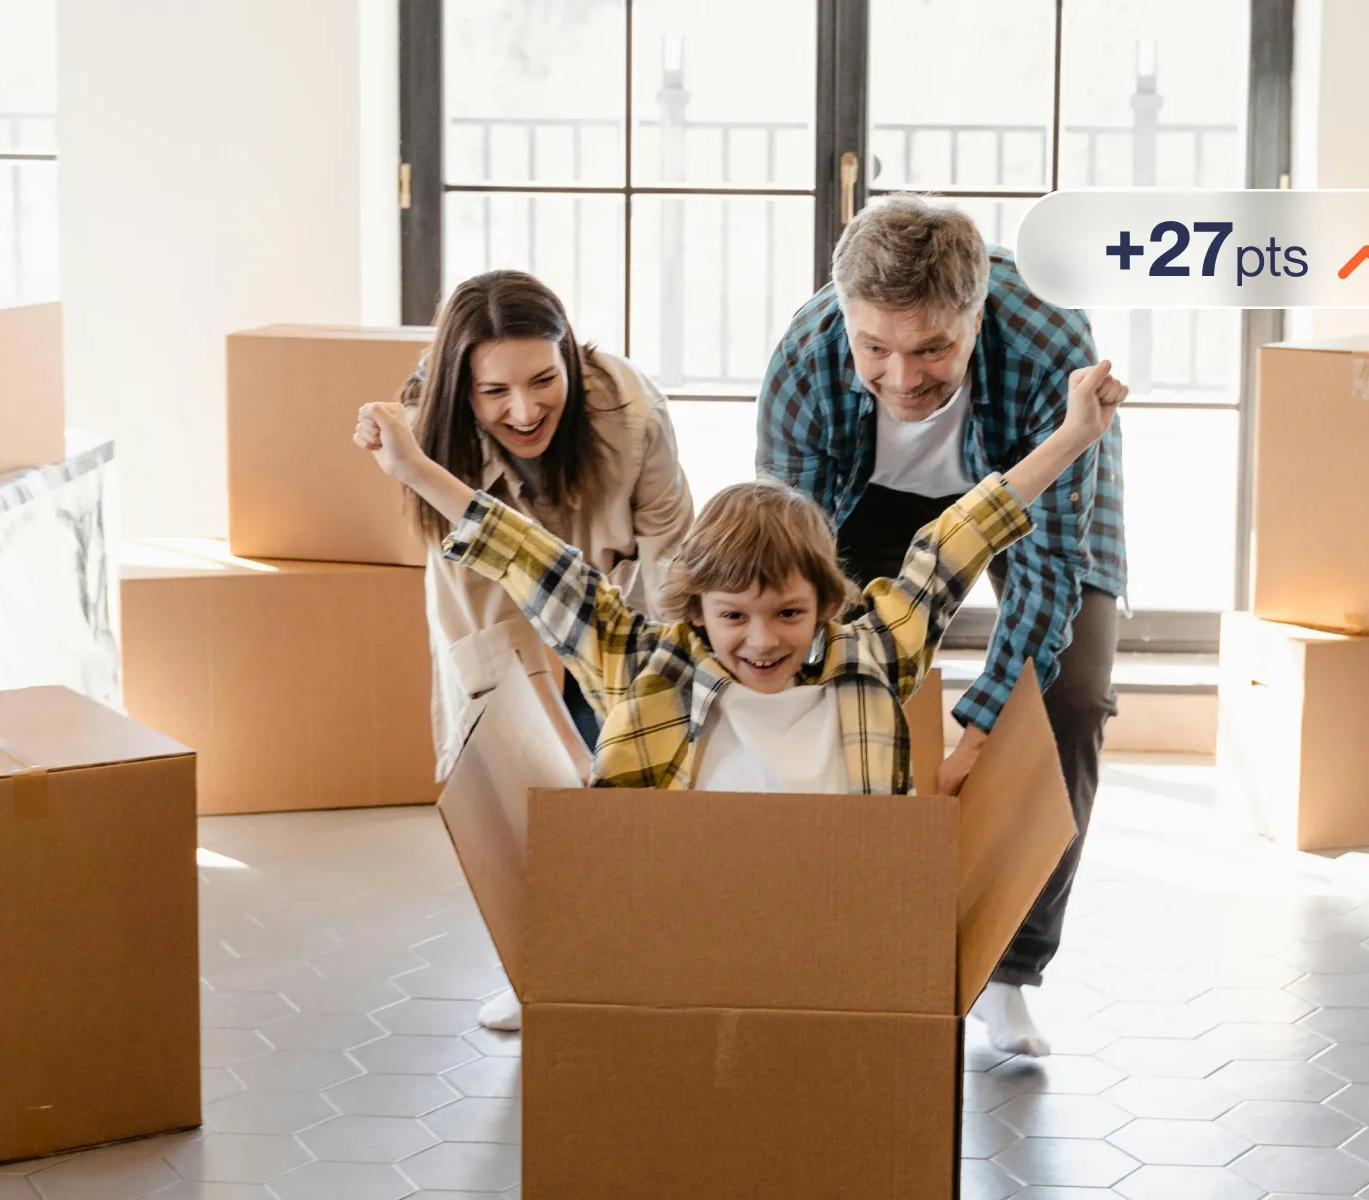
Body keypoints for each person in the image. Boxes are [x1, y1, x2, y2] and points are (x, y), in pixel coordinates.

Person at [353, 360, 1121, 798]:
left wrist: (1075, 435)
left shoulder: (874, 654)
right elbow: (530, 556)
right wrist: (416, 470)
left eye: (789, 614)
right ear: (696, 613)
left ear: (827, 604)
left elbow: (959, 540)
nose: (762, 641)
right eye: (734, 617)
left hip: (837, 917)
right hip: (687, 915)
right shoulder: (649, 667)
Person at [756, 194, 1128, 1058]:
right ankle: (848, 936)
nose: (900, 376)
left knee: (1067, 700)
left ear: (976, 315)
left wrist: (984, 722)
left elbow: (1047, 568)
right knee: (831, 683)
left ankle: (1010, 968)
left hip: (1030, 491)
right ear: (845, 318)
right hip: (866, 502)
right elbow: (793, 570)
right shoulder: (805, 361)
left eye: (932, 348)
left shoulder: (1049, 341)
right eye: (874, 347)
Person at [400, 269, 695, 1031]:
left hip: (618, 610)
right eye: (494, 392)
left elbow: (672, 565)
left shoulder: (632, 415)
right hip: (499, 618)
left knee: (636, 784)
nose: (524, 411)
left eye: (543, 380)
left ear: (570, 356)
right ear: (461, 391)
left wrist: (649, 694)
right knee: (523, 785)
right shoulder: (427, 442)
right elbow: (488, 624)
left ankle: (646, 965)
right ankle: (540, 970)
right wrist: (553, 739)